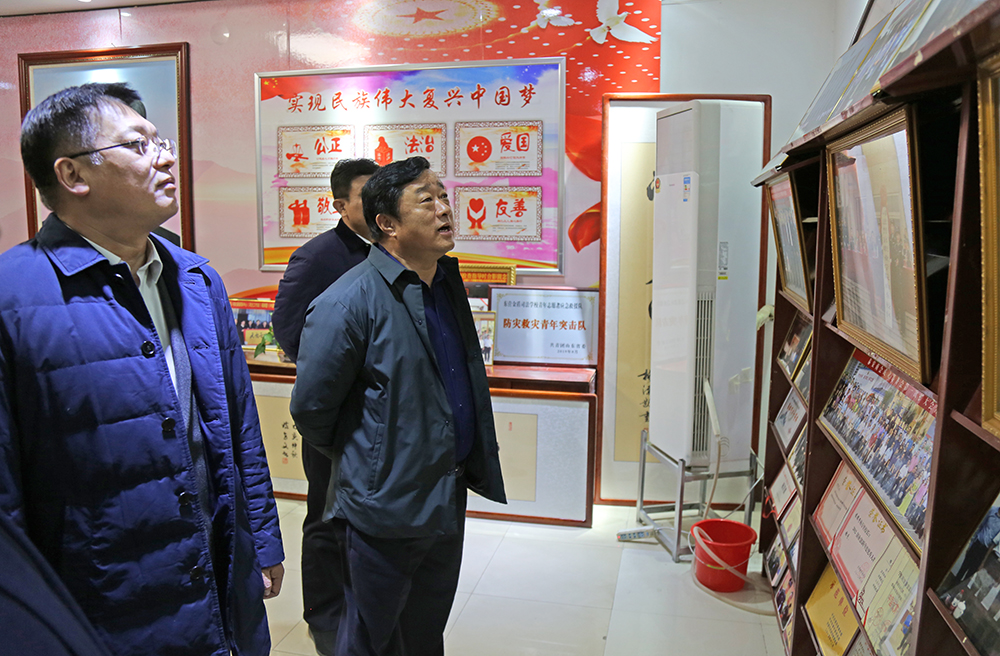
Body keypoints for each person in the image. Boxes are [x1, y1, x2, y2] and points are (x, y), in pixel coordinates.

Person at [0, 82, 284, 656]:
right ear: (73, 174)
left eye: (162, 141)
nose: (166, 157)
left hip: (217, 572)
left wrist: (262, 538)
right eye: (138, 145)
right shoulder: (12, 297)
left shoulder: (197, 279)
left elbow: (239, 429)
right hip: (99, 600)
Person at [290, 156, 506, 656]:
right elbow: (312, 411)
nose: (445, 209)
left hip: (446, 492)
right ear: (387, 223)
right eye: (426, 200)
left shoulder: (444, 284)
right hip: (384, 507)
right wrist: (376, 462)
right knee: (373, 639)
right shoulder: (348, 301)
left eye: (444, 196)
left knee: (425, 632)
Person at [272, 157, 378, 656]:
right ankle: (324, 615)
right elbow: (289, 331)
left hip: (381, 417)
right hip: (334, 415)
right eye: (366, 197)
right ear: (340, 205)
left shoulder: (395, 249)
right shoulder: (317, 257)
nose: (379, 205)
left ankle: (364, 606)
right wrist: (334, 383)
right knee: (325, 515)